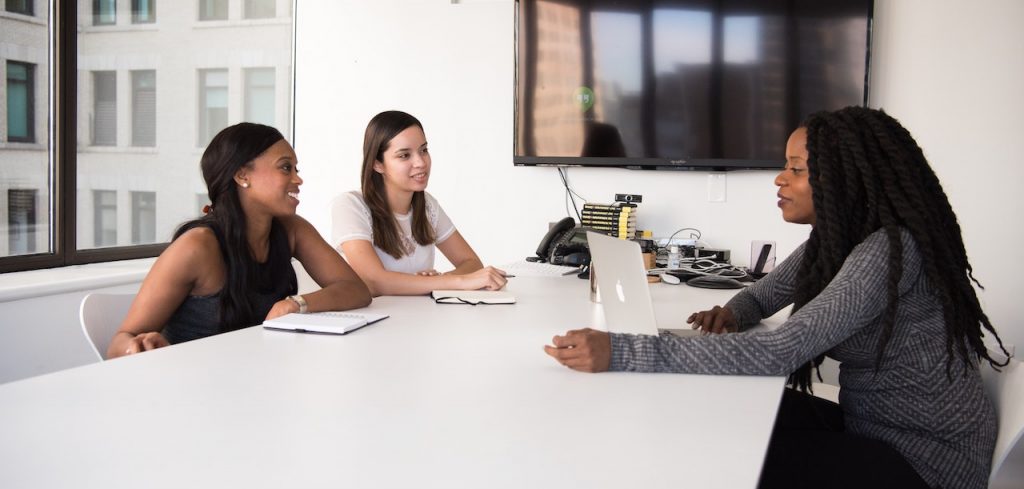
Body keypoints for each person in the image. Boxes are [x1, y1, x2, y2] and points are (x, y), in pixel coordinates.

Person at [543, 106, 1010, 489]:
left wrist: (621, 350)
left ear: (846, 179)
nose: (779, 179)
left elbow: (780, 351)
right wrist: (731, 313)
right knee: (722, 413)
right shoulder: (835, 242)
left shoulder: (889, 249)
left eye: (796, 168)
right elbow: (762, 298)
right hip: (870, 425)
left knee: (727, 457)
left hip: (922, 462)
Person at [108, 123, 371, 358]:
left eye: (296, 168)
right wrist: (137, 347)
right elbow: (118, 345)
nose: (298, 178)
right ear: (242, 176)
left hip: (256, 379)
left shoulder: (292, 229)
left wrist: (295, 304)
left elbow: (355, 290)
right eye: (285, 167)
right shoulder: (197, 247)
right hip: (195, 389)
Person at [331, 110, 507, 296]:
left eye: (423, 150)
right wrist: (447, 282)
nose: (421, 162)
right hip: (375, 320)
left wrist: (435, 282)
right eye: (404, 155)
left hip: (419, 318)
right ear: (377, 164)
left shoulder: (427, 205)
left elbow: (471, 263)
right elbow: (375, 281)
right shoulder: (350, 205)